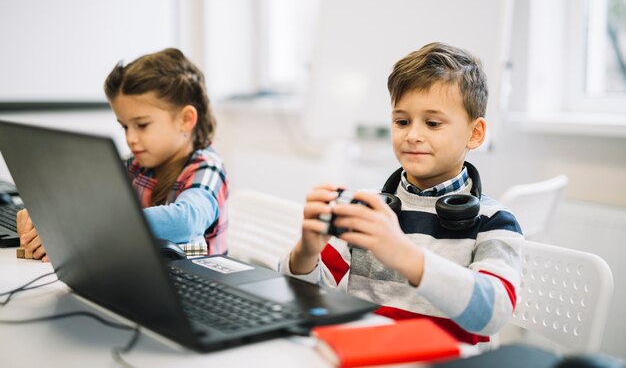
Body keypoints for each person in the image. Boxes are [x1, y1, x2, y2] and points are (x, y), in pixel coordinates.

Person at [279, 42, 523, 349]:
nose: (412, 135)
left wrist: (406, 255)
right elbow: (306, 298)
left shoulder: (495, 222)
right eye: (402, 121)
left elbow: (492, 313)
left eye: (433, 123)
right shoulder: (368, 209)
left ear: (475, 134)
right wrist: (306, 251)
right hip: (367, 356)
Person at [17, 48, 228, 262]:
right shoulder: (136, 163)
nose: (131, 138)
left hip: (197, 284)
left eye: (142, 125)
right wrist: (45, 212)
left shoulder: (207, 168)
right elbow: (83, 193)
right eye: (125, 127)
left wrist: (92, 225)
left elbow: (186, 221)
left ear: (186, 119)